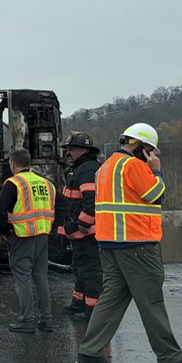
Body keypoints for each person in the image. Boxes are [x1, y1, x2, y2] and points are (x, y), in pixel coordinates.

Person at [74, 123, 182, 363]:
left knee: (111, 298)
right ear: (140, 146)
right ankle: (170, 359)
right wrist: (156, 171)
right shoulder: (133, 165)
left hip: (109, 243)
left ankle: (89, 353)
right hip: (136, 244)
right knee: (152, 301)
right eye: (150, 150)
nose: (152, 155)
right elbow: (155, 194)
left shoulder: (105, 167)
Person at [0, 148, 56, 333]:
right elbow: (61, 206)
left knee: (22, 277)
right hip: (42, 235)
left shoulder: (13, 183)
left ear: (13, 165)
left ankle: (27, 320)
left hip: (21, 237)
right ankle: (46, 320)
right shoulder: (46, 183)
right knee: (41, 277)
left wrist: (3, 230)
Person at [56, 132, 102, 319]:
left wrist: (83, 224)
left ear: (82, 150)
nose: (68, 153)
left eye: (71, 149)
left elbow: (91, 201)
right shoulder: (80, 168)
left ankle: (93, 311)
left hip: (88, 234)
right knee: (79, 269)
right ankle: (78, 304)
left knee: (90, 272)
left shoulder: (87, 170)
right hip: (79, 233)